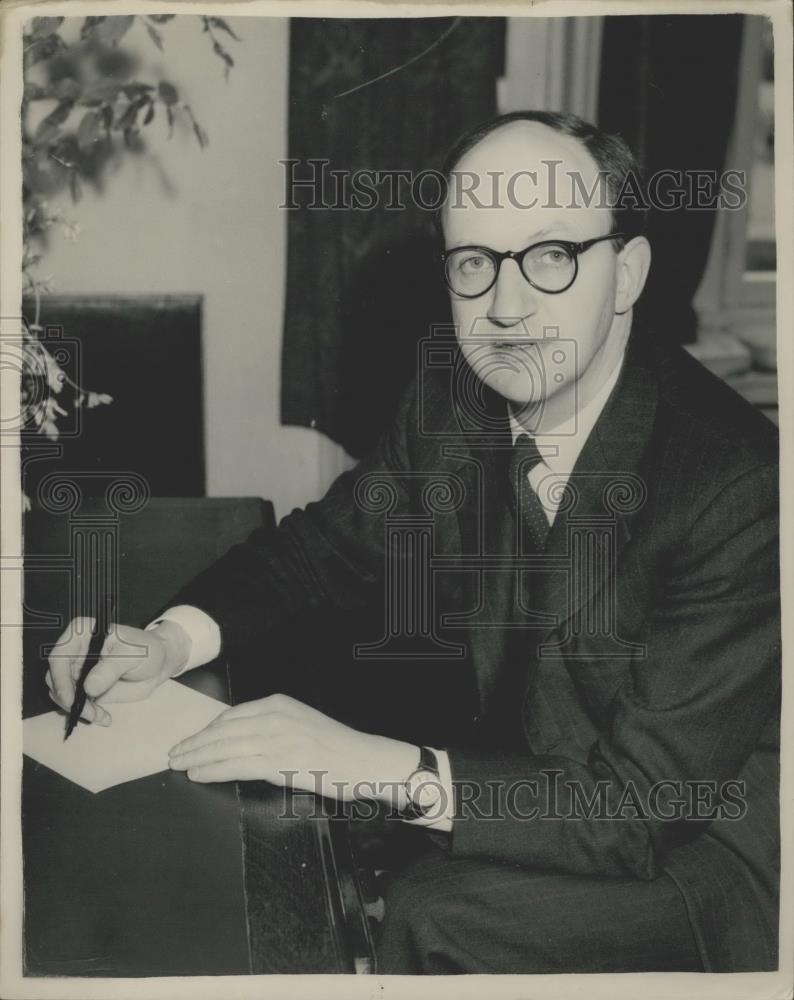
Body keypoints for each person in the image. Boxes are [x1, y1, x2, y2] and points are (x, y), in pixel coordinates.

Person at [47, 111, 780, 974]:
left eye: (550, 257)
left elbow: (637, 809)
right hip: (532, 773)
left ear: (627, 273)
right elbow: (324, 547)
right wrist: (167, 638)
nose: (505, 307)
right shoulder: (455, 403)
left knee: (431, 911)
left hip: (693, 855)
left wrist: (368, 764)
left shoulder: (734, 484)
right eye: (475, 264)